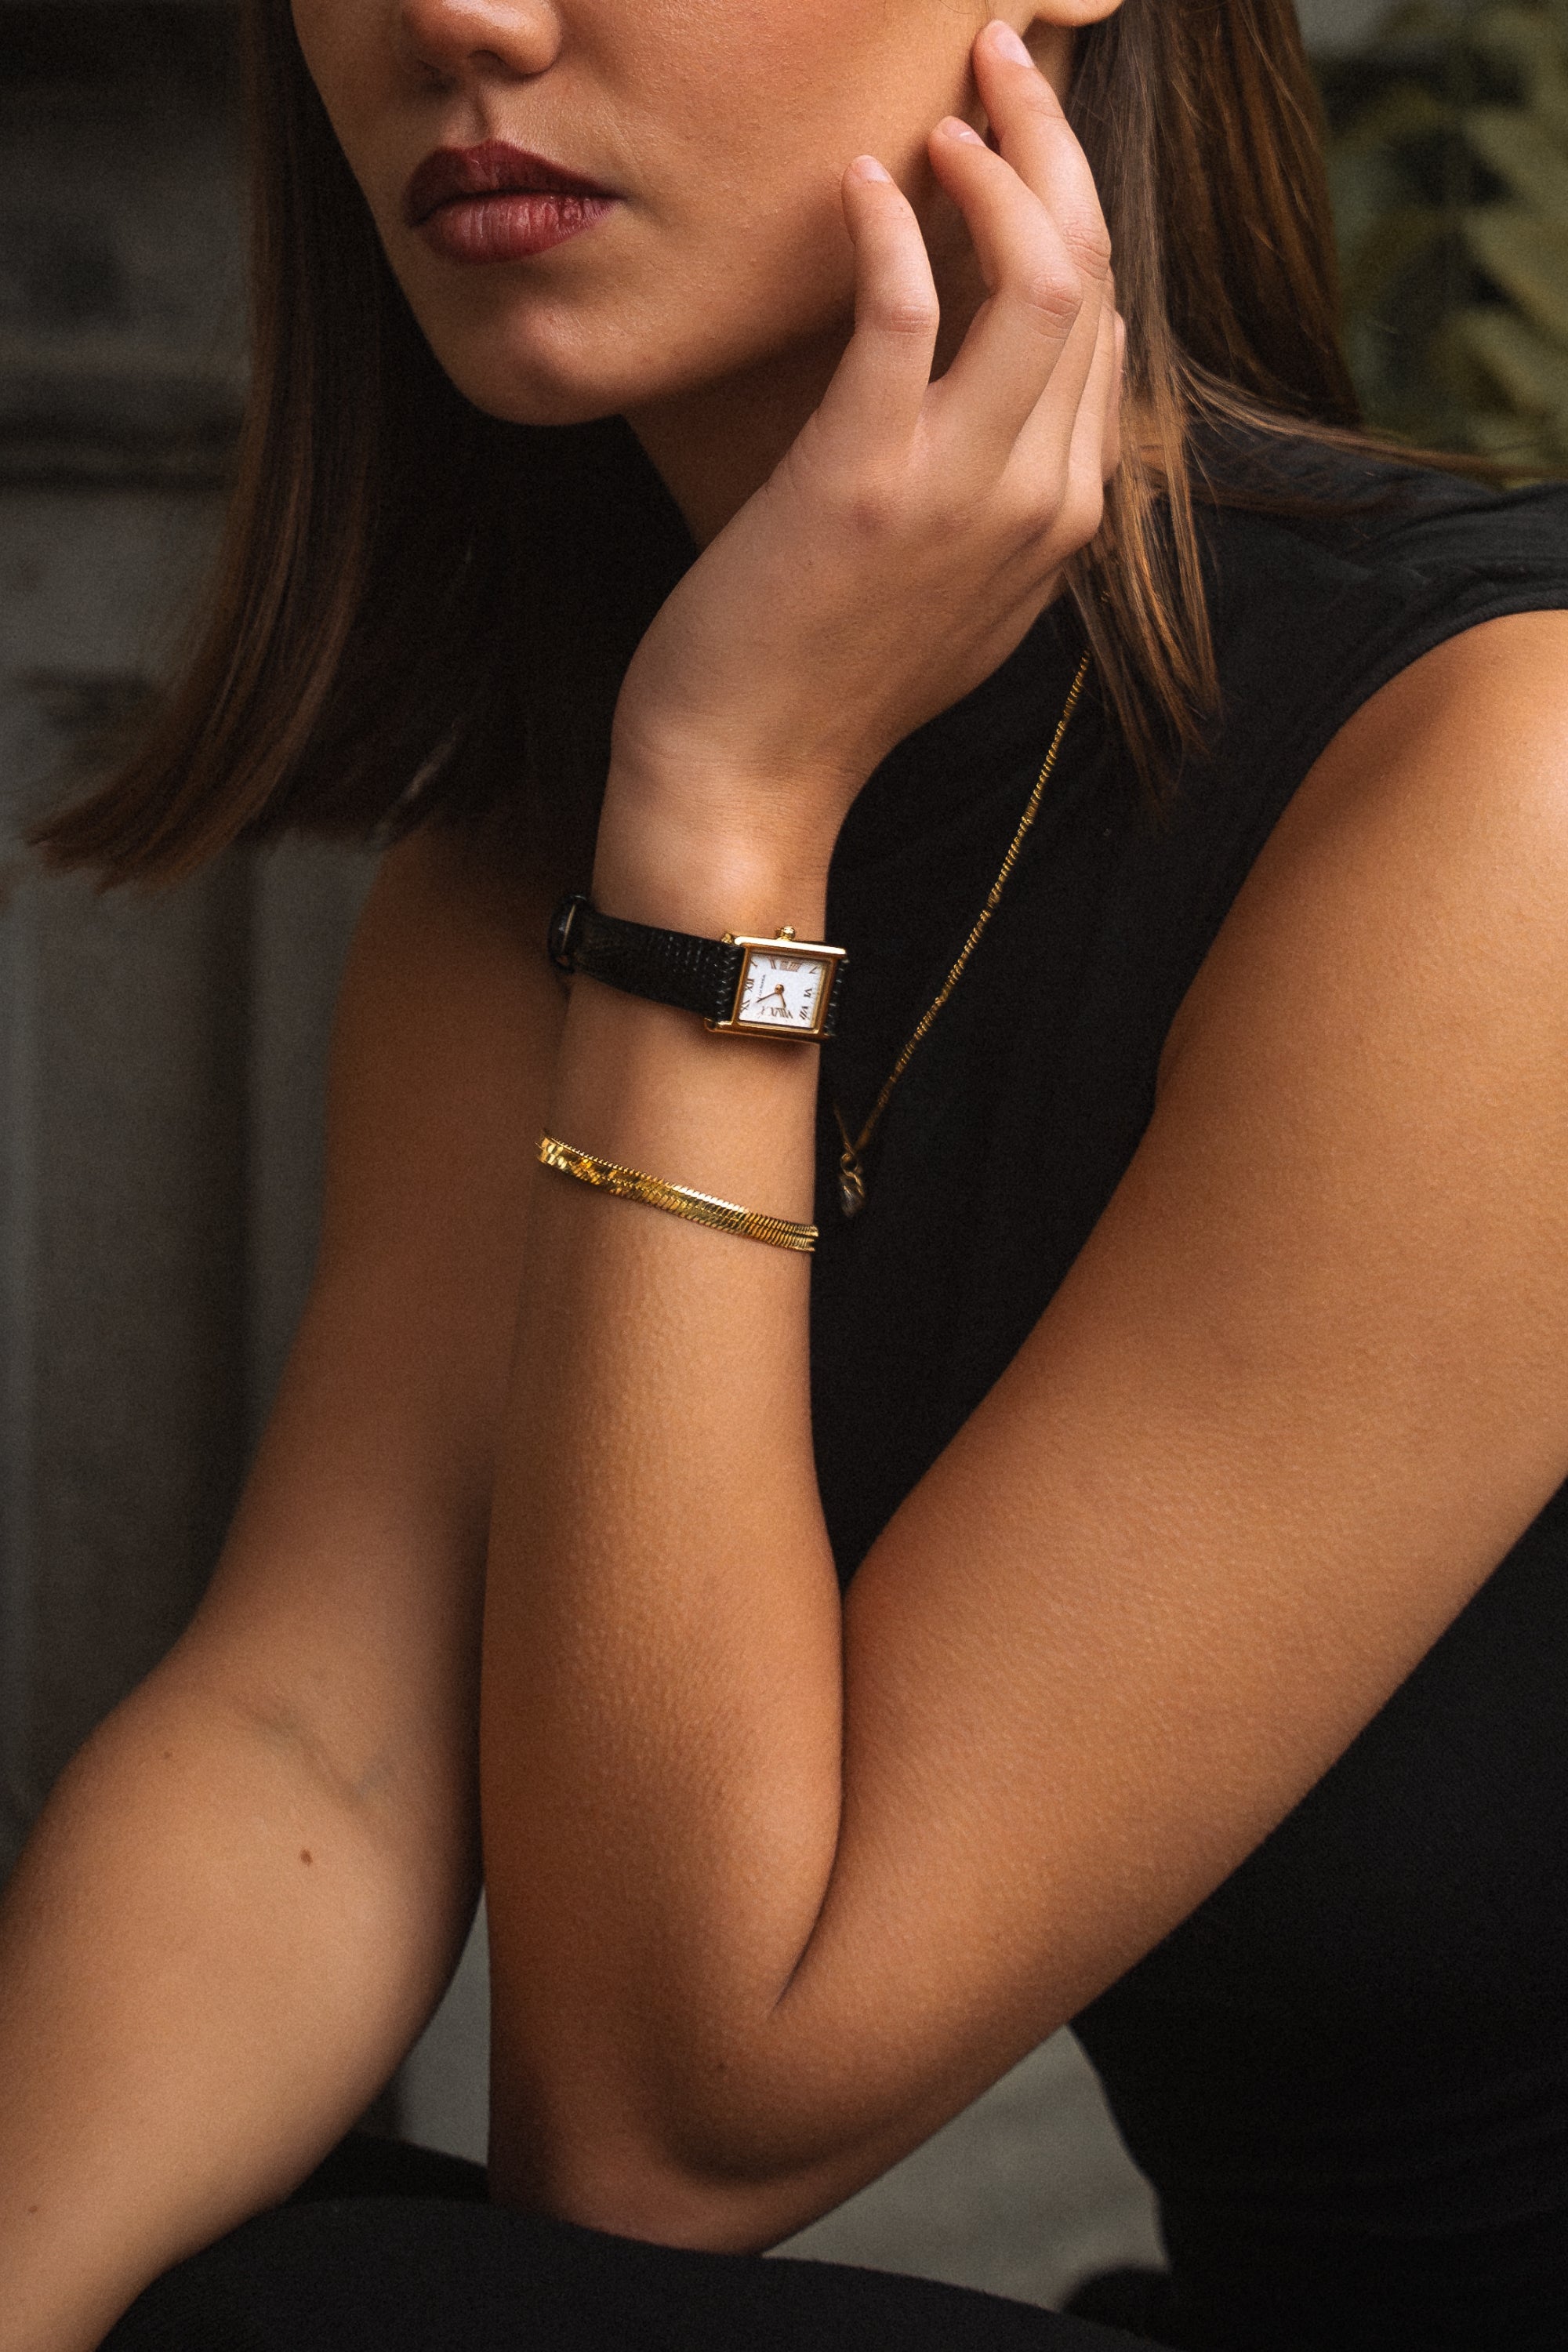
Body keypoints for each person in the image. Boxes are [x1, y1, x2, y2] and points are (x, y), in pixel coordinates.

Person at [5, 0, 1568, 2339]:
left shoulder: (1504, 791)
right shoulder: (525, 861)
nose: (462, 14)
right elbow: (296, 1742)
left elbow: (657, 2129)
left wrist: (731, 821)